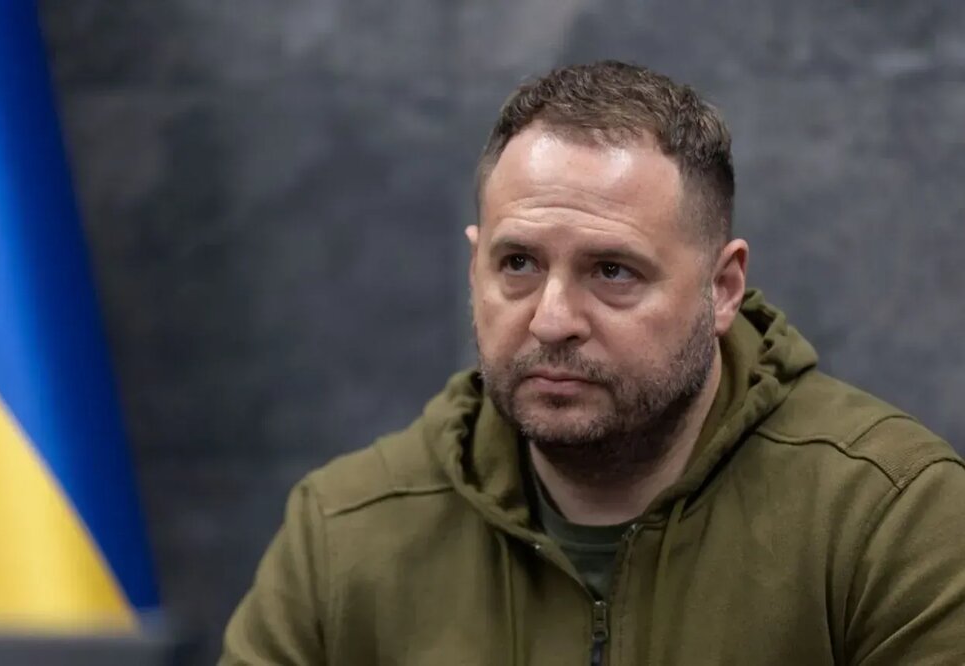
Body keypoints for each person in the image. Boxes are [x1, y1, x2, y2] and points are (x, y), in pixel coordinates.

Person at [220, 60, 965, 665]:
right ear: (475, 268)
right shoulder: (345, 535)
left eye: (612, 271)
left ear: (722, 289)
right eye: (518, 263)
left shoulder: (892, 520)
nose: (552, 320)